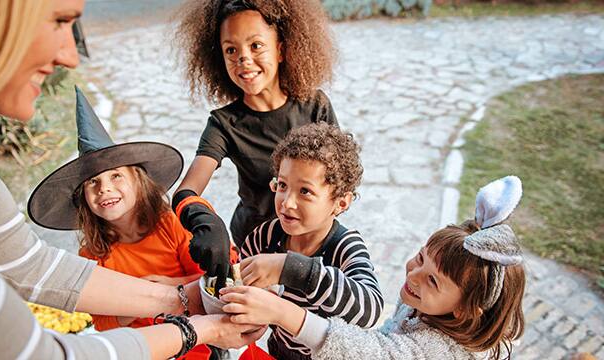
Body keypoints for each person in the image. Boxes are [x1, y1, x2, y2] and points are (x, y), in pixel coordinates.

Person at [0, 1, 263, 359]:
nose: (72, 57)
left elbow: (22, 262)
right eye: (60, 20)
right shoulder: (94, 252)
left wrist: (183, 298)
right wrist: (193, 327)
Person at [222, 176, 527, 360]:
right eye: (420, 259)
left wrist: (281, 310)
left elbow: (374, 351)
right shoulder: (430, 306)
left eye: (433, 281)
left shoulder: (440, 351)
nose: (413, 275)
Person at [170, 0, 339, 292]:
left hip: (312, 239)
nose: (243, 59)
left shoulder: (315, 106)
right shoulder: (224, 124)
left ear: (282, 49)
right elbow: (187, 190)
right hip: (255, 240)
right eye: (231, 50)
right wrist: (205, 220)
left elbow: (336, 180)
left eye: (256, 45)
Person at [225, 123, 384, 359]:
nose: (287, 202)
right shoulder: (265, 236)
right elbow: (239, 279)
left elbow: (370, 309)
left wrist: (291, 268)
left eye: (305, 191)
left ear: (341, 202)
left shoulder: (345, 246)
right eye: (282, 185)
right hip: (279, 350)